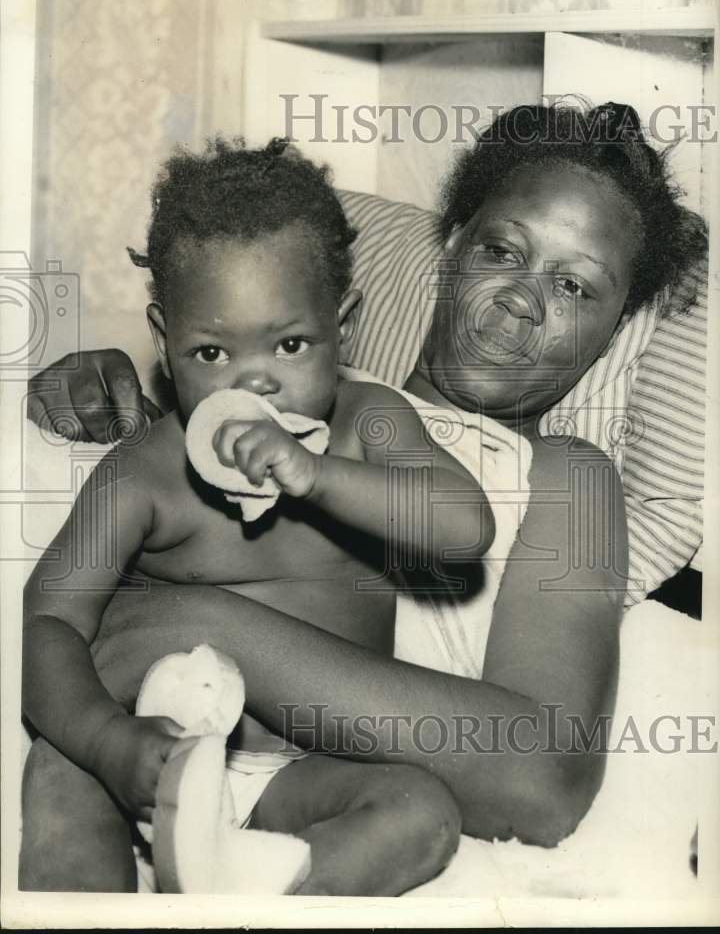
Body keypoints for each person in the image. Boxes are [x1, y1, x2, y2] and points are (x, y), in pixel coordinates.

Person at [24, 103, 706, 881]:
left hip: (311, 790)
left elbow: (540, 777)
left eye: (577, 287)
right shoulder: (300, 390)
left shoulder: (566, 477)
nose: (523, 298)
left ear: (614, 328)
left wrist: (203, 621)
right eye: (500, 250)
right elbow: (161, 491)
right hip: (120, 738)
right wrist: (85, 397)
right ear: (450, 247)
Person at [22, 137, 503, 894]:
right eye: (211, 354)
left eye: (289, 344)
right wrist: (107, 742)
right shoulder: (146, 470)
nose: (255, 383)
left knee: (421, 810)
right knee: (59, 771)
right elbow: (49, 620)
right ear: (163, 340)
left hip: (303, 773)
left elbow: (463, 528)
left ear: (342, 324)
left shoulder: (370, 423)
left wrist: (317, 476)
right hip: (149, 748)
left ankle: (256, 895)